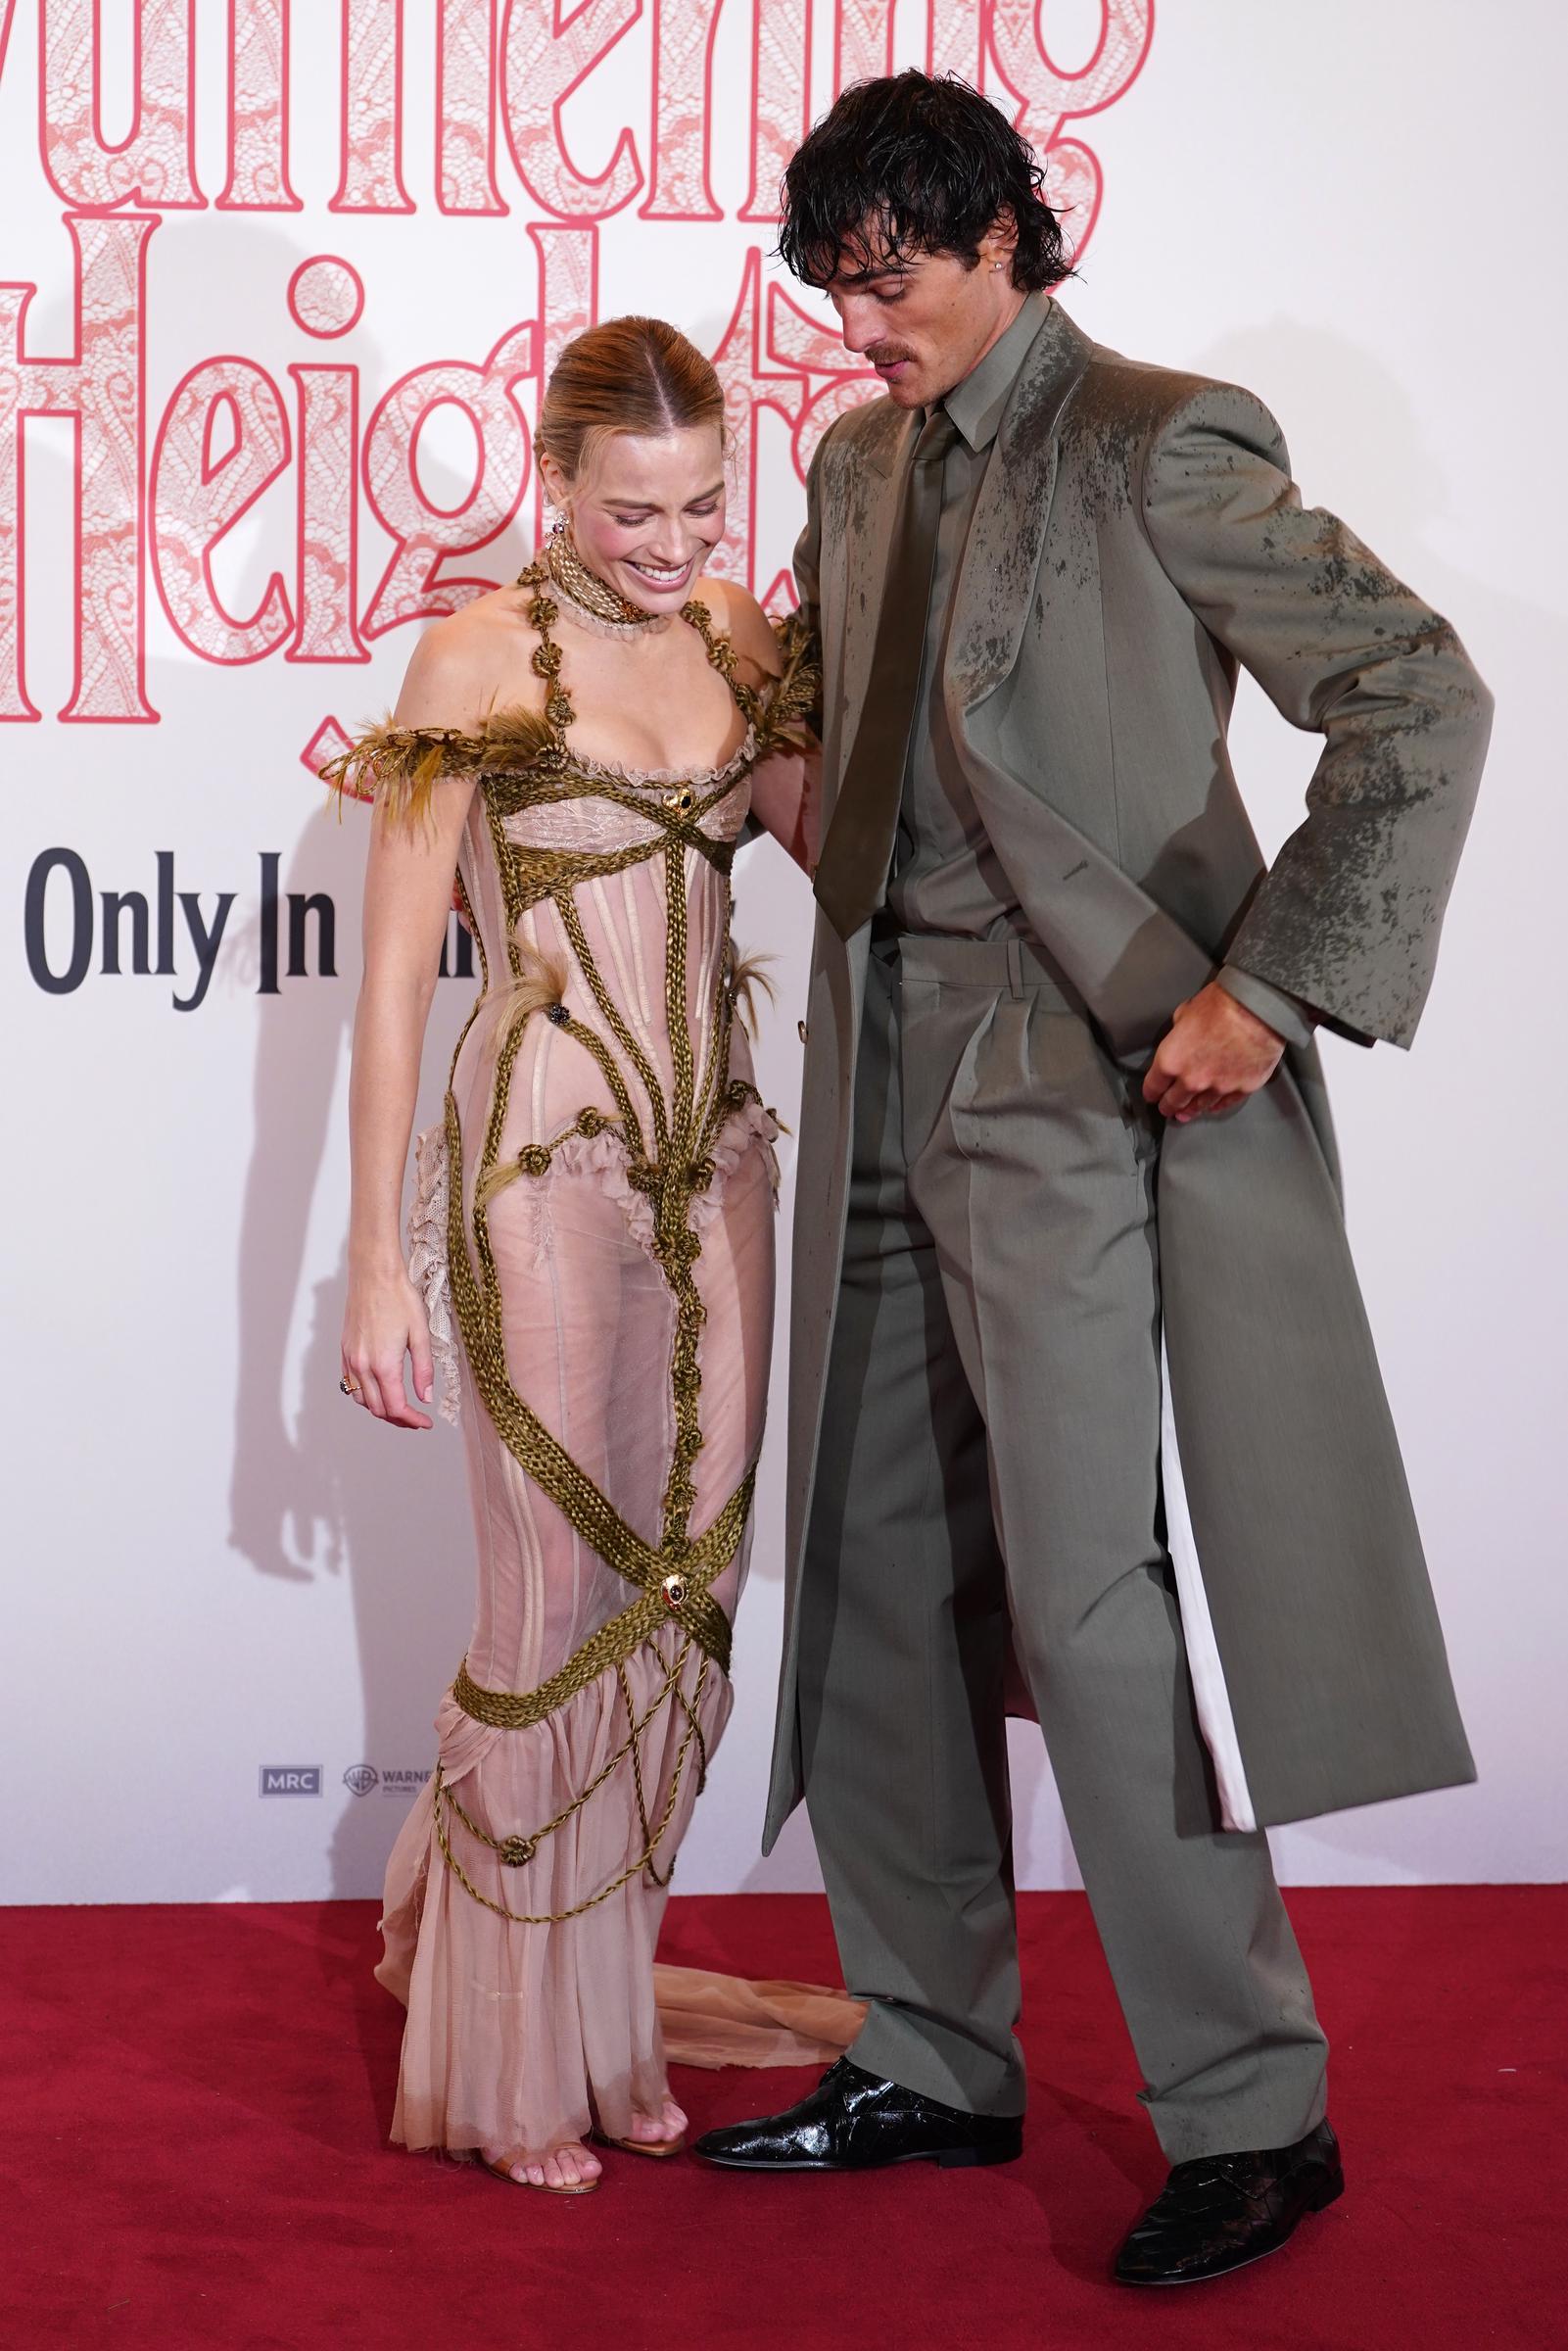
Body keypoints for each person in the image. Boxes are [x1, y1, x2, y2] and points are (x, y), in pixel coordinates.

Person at [692, 72, 1492, 2289]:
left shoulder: (1164, 434)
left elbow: (1421, 697)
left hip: (1085, 1083)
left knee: (1093, 1603)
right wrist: (752, 765)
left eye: (900, 279)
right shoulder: (859, 468)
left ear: (1001, 237)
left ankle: (1254, 2113)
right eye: (839, 287)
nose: (867, 327)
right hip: (878, 1063)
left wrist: (1279, 983)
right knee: (868, 1568)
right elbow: (845, 723)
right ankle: (935, 2058)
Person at [328, 316, 818, 2195]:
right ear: (556, 479)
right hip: (540, 1166)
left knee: (684, 1591)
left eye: (704, 506)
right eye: (635, 511)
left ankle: (606, 2026)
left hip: (719, 1174)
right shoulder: (473, 658)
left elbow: (827, 849)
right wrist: (375, 1259)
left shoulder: (735, 645)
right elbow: (388, 994)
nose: (675, 542)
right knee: (549, 1607)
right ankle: (516, 2059)